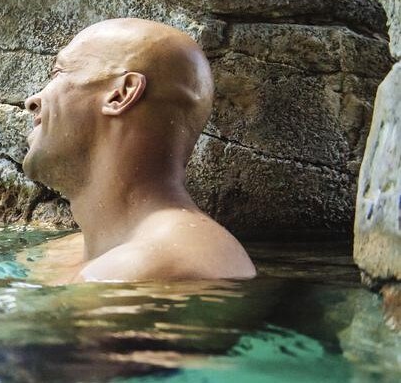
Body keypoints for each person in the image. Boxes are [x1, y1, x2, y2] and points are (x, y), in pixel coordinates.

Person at [20, 18, 255, 284]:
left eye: (59, 73)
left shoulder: (171, 263)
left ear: (121, 94)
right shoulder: (59, 253)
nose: (32, 101)